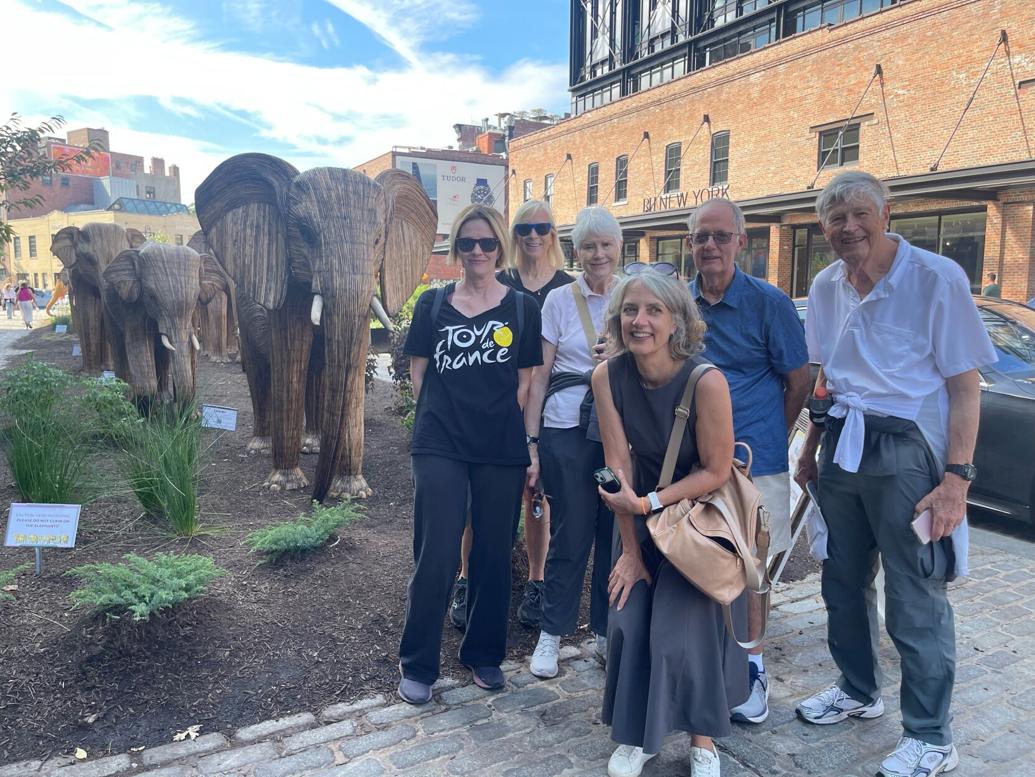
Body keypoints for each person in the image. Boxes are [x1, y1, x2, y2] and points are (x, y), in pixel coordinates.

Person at [795, 171, 995, 777]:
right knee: (841, 581)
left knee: (914, 596)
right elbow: (826, 374)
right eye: (835, 218)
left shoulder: (936, 279)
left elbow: (966, 387)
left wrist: (956, 479)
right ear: (823, 227)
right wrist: (810, 449)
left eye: (859, 213)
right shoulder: (826, 285)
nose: (848, 227)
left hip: (909, 454)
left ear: (887, 214)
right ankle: (858, 690)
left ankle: (931, 736)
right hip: (843, 448)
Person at [594, 271, 748, 777]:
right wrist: (631, 553)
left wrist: (649, 504)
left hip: (698, 522)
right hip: (641, 521)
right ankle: (639, 735)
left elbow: (716, 471)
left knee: (679, 628)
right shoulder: (607, 377)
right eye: (630, 310)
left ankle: (703, 739)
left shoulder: (706, 381)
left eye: (654, 310)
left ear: (677, 319)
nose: (640, 321)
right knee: (628, 615)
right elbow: (617, 467)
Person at [397, 204, 543, 704]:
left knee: (491, 554)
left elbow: (526, 384)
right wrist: (446, 414)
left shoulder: (523, 308)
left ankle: (484, 654)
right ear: (455, 248)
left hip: (499, 447)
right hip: (440, 443)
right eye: (467, 243)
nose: (477, 252)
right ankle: (418, 662)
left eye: (486, 243)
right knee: (436, 552)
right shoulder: (433, 305)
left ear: (500, 247)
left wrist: (528, 445)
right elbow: (419, 373)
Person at [687, 199, 810, 724]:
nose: (709, 246)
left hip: (753, 460)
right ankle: (705, 662)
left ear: (741, 240)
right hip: (693, 461)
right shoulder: (680, 305)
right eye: (700, 237)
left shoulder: (769, 303)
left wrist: (771, 432)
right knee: (701, 561)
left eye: (719, 235)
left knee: (755, 569)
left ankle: (753, 671)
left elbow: (799, 380)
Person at [448, 199, 574, 632]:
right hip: (497, 409)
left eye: (542, 227)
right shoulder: (497, 280)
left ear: (553, 234)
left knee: (536, 498)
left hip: (545, 408)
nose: (533, 236)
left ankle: (536, 581)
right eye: (524, 228)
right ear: (511, 238)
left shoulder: (566, 287)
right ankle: (466, 577)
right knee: (473, 499)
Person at [524, 205, 621, 678]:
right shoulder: (560, 300)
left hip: (615, 440)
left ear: (618, 248)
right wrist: (533, 444)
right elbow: (539, 378)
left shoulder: (636, 295)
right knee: (573, 530)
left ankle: (605, 629)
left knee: (614, 531)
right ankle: (551, 632)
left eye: (605, 244)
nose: (597, 254)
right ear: (576, 250)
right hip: (568, 433)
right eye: (588, 246)